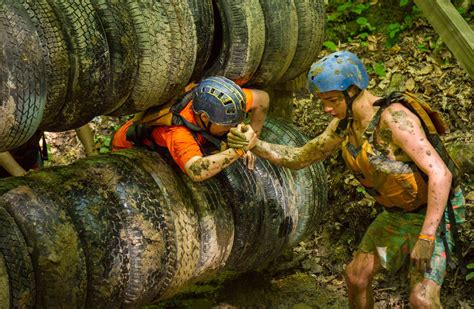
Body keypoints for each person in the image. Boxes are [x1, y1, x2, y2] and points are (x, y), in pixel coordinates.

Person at [227, 51, 465, 307]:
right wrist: (255, 144)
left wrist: (427, 238)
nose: (326, 109)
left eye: (331, 100)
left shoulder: (395, 120)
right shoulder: (344, 125)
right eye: (321, 101)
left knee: (422, 299)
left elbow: (441, 174)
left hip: (435, 215)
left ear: (353, 91)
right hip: (397, 214)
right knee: (356, 277)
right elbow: (300, 157)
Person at [112, 76, 269, 182]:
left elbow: (262, 99)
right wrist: (239, 149)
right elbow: (196, 171)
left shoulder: (227, 104)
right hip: (130, 148)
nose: (233, 128)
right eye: (228, 125)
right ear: (204, 117)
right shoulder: (178, 133)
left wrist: (253, 135)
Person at [0, 123, 99, 178]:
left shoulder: (46, 93)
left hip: (29, 155)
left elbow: (77, 118)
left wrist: (93, 154)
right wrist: (21, 176)